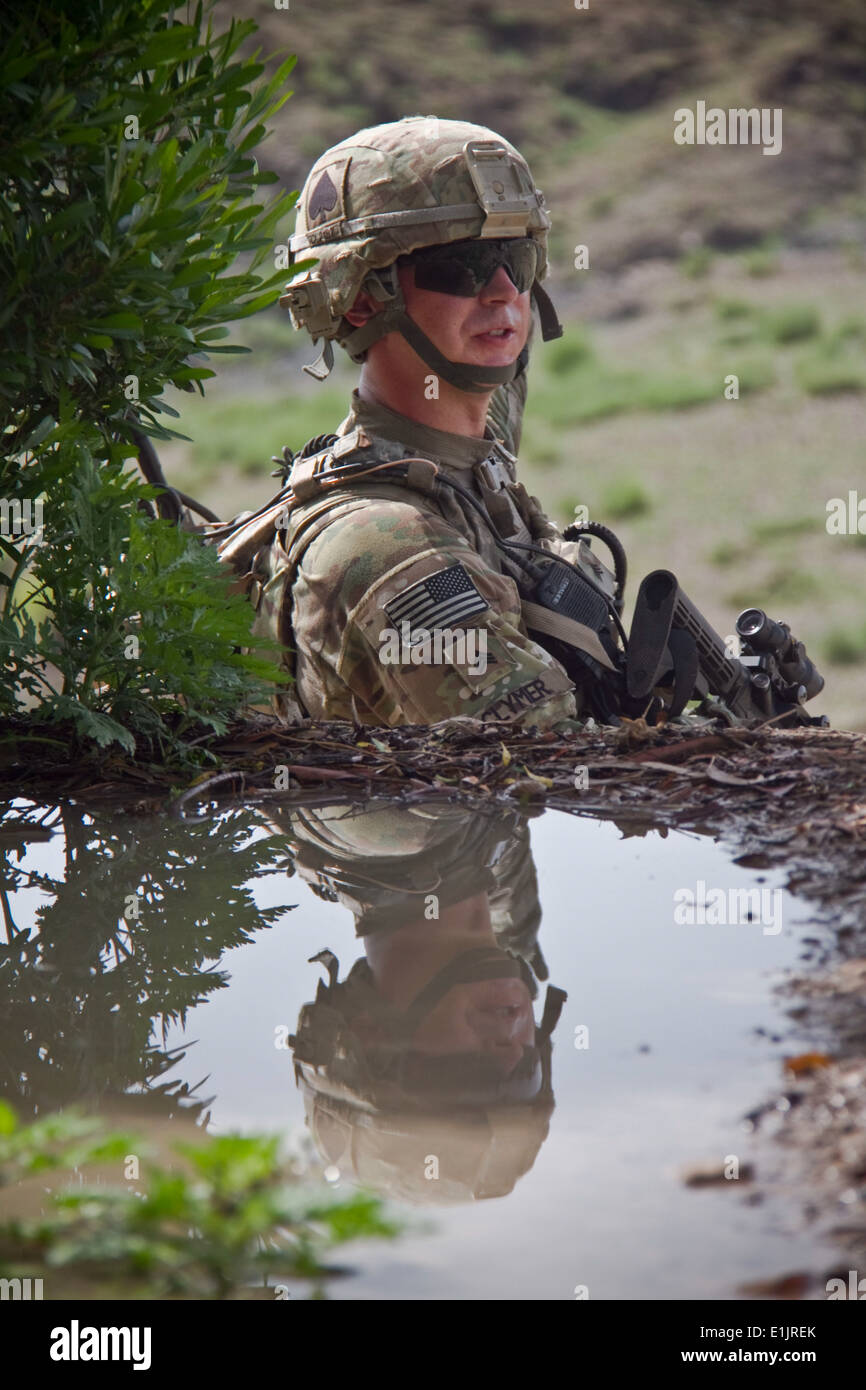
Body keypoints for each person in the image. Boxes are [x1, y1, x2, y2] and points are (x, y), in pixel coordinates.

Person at [243, 115, 621, 728]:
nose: (503, 293)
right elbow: (543, 753)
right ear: (364, 297)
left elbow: (503, 388)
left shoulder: (463, 461)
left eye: (517, 259)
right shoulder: (383, 544)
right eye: (464, 266)